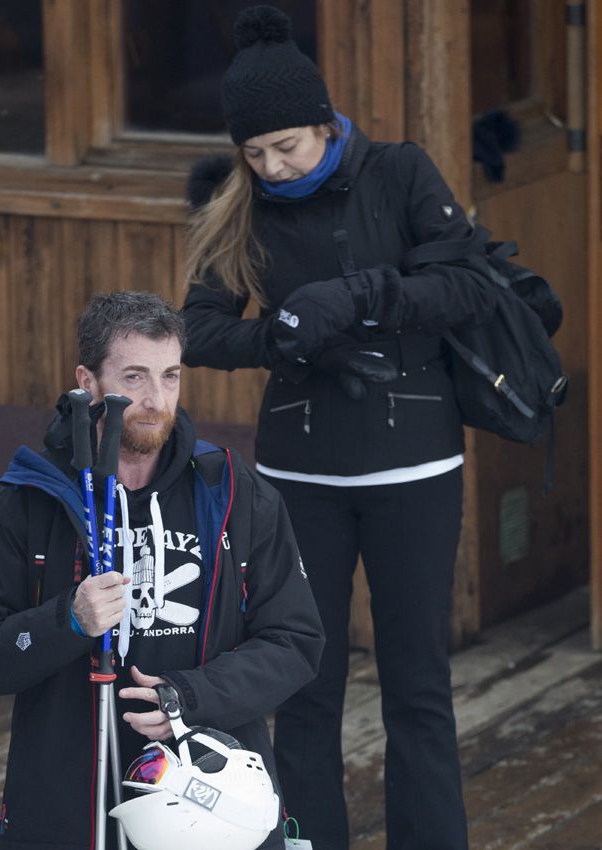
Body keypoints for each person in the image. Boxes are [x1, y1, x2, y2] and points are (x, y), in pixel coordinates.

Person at [182, 6, 497, 850]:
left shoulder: (400, 173)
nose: (273, 166)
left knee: (417, 687)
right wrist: (283, 341)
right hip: (300, 476)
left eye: (287, 145)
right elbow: (200, 328)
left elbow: (463, 285)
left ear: (325, 122)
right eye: (255, 153)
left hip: (414, 467)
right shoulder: (238, 202)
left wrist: (359, 295)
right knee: (305, 686)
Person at [0, 290, 325, 850]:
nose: (155, 399)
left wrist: (190, 699)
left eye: (170, 376)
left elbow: (297, 641)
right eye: (135, 377)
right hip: (66, 815)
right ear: (88, 381)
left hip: (210, 810)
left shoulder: (235, 493)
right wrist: (65, 621)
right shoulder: (25, 501)